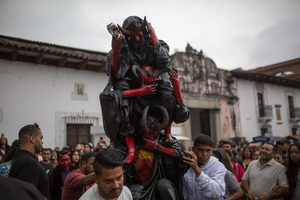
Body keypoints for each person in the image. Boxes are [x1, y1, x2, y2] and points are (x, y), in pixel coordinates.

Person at [100, 16, 189, 164]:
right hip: (134, 87)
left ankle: (167, 133)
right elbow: (116, 76)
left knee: (167, 88)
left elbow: (164, 61)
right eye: (132, 35)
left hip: (155, 84)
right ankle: (131, 148)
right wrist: (116, 50)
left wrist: (152, 33)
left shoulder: (156, 44)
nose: (136, 38)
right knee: (117, 94)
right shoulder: (124, 48)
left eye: (139, 33)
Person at [9, 123, 50, 199]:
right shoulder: (30, 163)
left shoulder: (20, 159)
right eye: (41, 138)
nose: (42, 142)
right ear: (32, 139)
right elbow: (27, 195)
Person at [182, 134, 227, 200]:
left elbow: (216, 194)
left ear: (212, 150)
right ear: (193, 149)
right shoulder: (186, 165)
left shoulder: (218, 167)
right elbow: (185, 194)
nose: (204, 154)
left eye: (208, 151)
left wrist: (197, 170)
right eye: (200, 150)